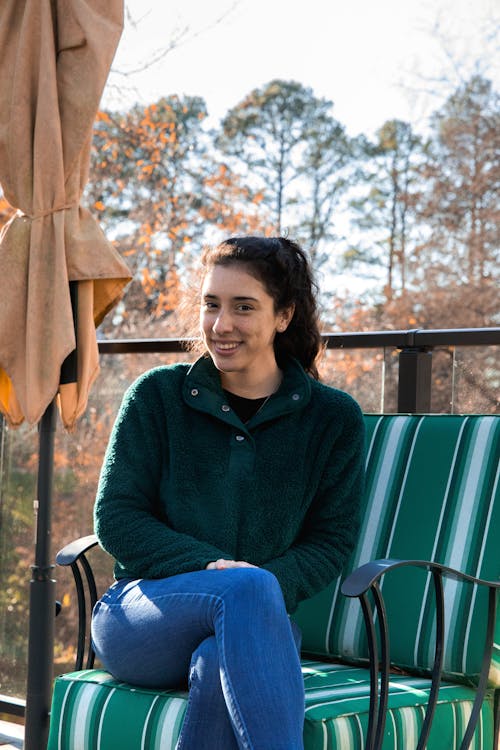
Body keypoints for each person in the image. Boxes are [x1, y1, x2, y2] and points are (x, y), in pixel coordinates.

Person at [91, 235, 365, 750]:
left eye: (244, 307)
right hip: (143, 617)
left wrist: (254, 587)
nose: (221, 325)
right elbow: (117, 516)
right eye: (211, 305)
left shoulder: (331, 419)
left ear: (283, 316)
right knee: (250, 588)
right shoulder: (157, 396)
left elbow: (330, 542)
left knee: (224, 651)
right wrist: (219, 569)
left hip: (255, 624)